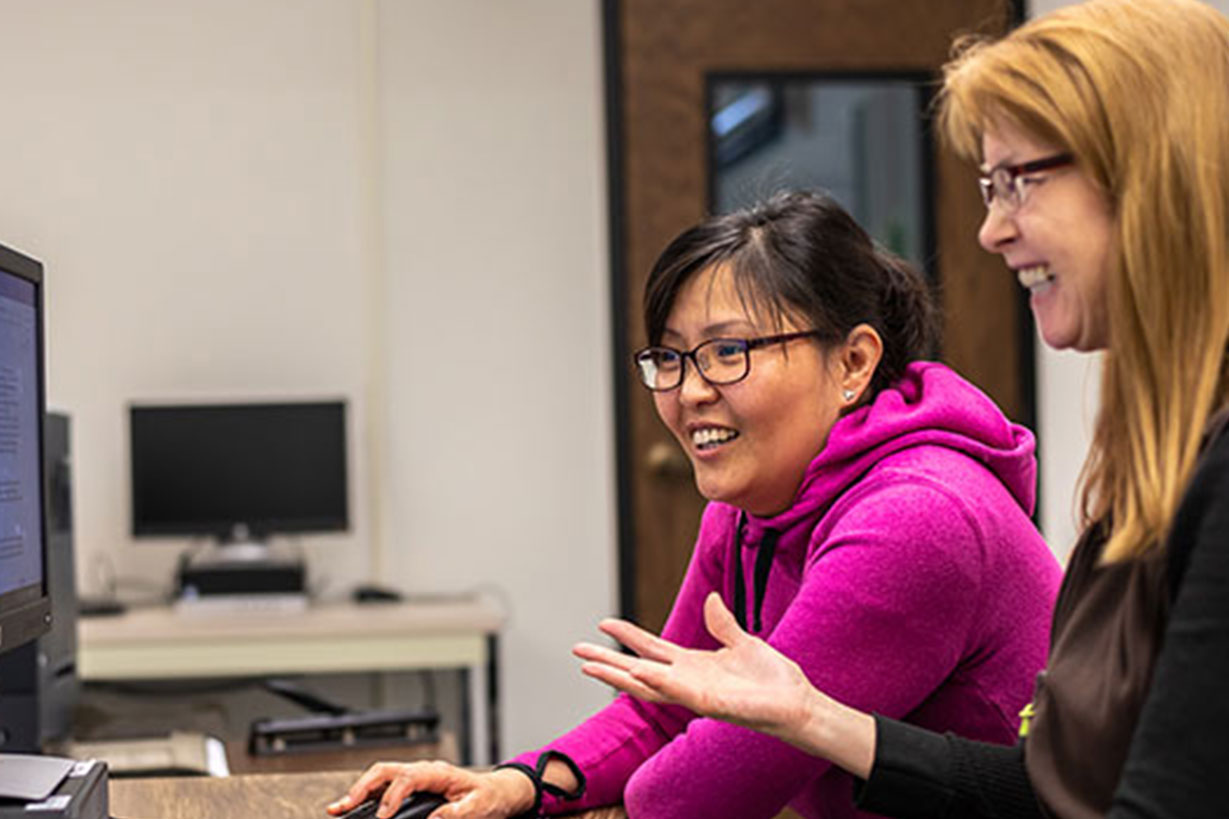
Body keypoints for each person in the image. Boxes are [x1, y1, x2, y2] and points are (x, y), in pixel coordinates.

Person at [575, 0, 1229, 816]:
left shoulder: (924, 514)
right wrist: (809, 715)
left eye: (1020, 180)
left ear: (1155, 175)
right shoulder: (1155, 455)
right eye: (988, 187)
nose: (991, 230)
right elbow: (1052, 789)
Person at [326, 191, 1061, 819]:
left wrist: (646, 763)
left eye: (728, 351)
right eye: (671, 357)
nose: (690, 390)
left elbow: (691, 794)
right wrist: (518, 781)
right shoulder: (753, 501)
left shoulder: (914, 521)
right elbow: (666, 705)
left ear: (853, 362)